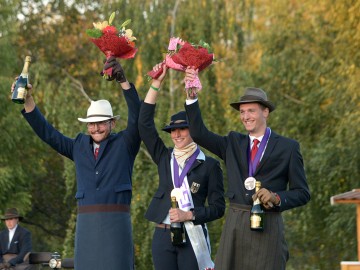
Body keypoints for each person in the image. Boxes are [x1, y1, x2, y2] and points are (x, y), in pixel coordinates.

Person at [11, 57, 141, 270]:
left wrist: (123, 82)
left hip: (116, 222)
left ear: (112, 123)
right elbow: (48, 134)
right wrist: (28, 100)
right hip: (86, 225)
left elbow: (138, 119)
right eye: (91, 124)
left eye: (101, 123)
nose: (96, 128)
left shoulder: (125, 143)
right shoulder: (78, 145)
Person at [183, 68, 311, 270]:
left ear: (265, 111)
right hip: (235, 223)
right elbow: (198, 133)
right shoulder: (233, 142)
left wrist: (277, 198)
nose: (245, 116)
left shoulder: (288, 147)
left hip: (268, 225)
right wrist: (191, 96)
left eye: (251, 110)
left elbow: (303, 193)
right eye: (242, 112)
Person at [138, 63, 225, 270]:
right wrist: (156, 84)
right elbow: (144, 125)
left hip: (192, 235)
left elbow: (218, 208)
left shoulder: (210, 165)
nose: (176, 135)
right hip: (162, 234)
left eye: (182, 129)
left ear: (193, 130)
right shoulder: (164, 156)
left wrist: (190, 215)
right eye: (172, 131)